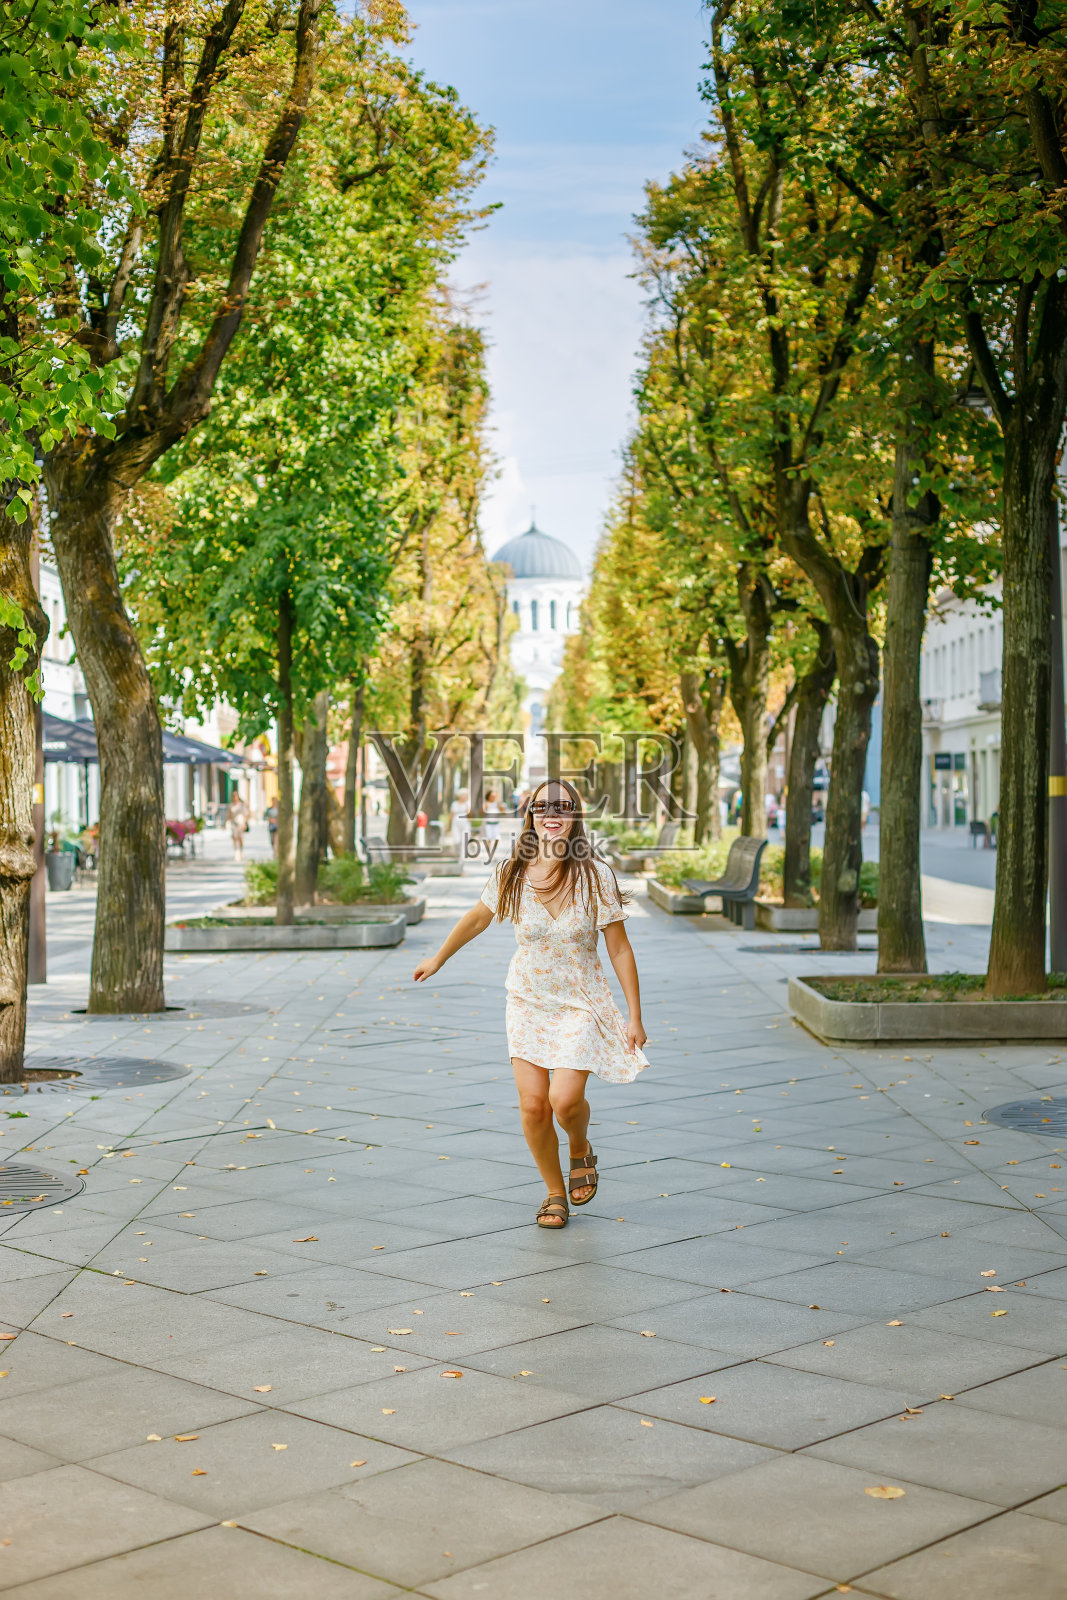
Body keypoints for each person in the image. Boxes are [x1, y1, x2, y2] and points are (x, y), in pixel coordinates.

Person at [414, 778, 649, 1230]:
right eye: (542, 807)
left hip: (581, 1002)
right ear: (530, 816)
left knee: (564, 1100)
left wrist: (634, 1015)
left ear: (576, 815)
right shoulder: (512, 873)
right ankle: (555, 1192)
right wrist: (438, 958)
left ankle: (579, 1146)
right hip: (528, 999)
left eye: (562, 805)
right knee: (534, 1106)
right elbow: (478, 917)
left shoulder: (596, 875)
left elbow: (619, 948)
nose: (551, 813)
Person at [226, 792, 249, 861]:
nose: (235, 798)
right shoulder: (231, 805)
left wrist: (245, 823)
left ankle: (241, 851)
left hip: (241, 824)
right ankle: (236, 853)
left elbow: (246, 815)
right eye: (233, 796)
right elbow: (229, 815)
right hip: (233, 824)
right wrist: (225, 823)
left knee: (240, 838)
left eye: (236, 796)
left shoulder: (242, 805)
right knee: (235, 838)